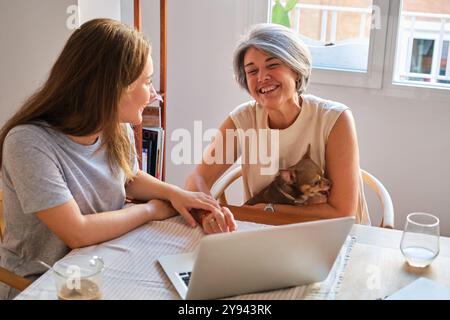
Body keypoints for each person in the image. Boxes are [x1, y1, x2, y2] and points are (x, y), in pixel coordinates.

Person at [0, 19, 228, 300]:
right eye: (147, 81)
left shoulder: (114, 125)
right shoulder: (27, 142)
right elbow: (78, 233)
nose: (155, 94)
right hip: (45, 284)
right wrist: (151, 210)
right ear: (113, 87)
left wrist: (176, 194)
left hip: (103, 262)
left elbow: (128, 178)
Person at [185, 23, 370, 234]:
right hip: (268, 237)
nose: (262, 77)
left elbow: (342, 213)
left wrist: (266, 210)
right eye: (252, 71)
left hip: (335, 238)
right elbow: (196, 179)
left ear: (296, 70)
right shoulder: (243, 120)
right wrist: (209, 213)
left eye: (272, 65)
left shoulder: (335, 119)